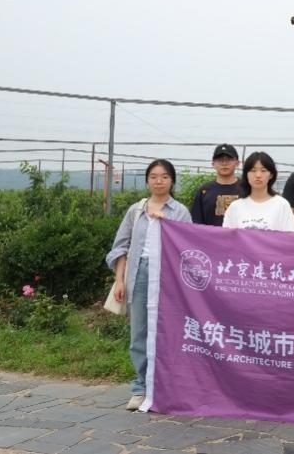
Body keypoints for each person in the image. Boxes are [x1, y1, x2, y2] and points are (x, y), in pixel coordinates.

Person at [105, 159, 192, 410]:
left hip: (169, 276)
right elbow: (120, 247)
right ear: (147, 181)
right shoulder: (136, 210)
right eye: (153, 176)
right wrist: (119, 280)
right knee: (140, 332)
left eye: (164, 177)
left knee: (169, 332)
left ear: (172, 181)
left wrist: (167, 225)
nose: (159, 181)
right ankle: (141, 387)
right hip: (140, 274)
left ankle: (166, 387)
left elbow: (188, 249)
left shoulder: (180, 212)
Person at [222, 152, 294, 232]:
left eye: (263, 170)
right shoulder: (235, 207)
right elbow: (226, 237)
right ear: (246, 174)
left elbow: (290, 237)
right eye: (253, 170)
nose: (258, 175)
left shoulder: (282, 205)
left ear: (271, 175)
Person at [190, 143, 241, 226]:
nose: (224, 163)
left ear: (237, 163)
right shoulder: (204, 191)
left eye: (229, 159)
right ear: (213, 164)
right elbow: (196, 223)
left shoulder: (246, 189)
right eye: (220, 160)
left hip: (238, 234)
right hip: (209, 235)